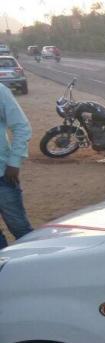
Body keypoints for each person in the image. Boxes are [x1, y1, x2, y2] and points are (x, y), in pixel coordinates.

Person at [0, 83, 33, 248]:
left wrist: (14, 162)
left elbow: (21, 126)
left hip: (2, 176)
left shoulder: (0, 91)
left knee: (21, 231)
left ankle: (31, 269)